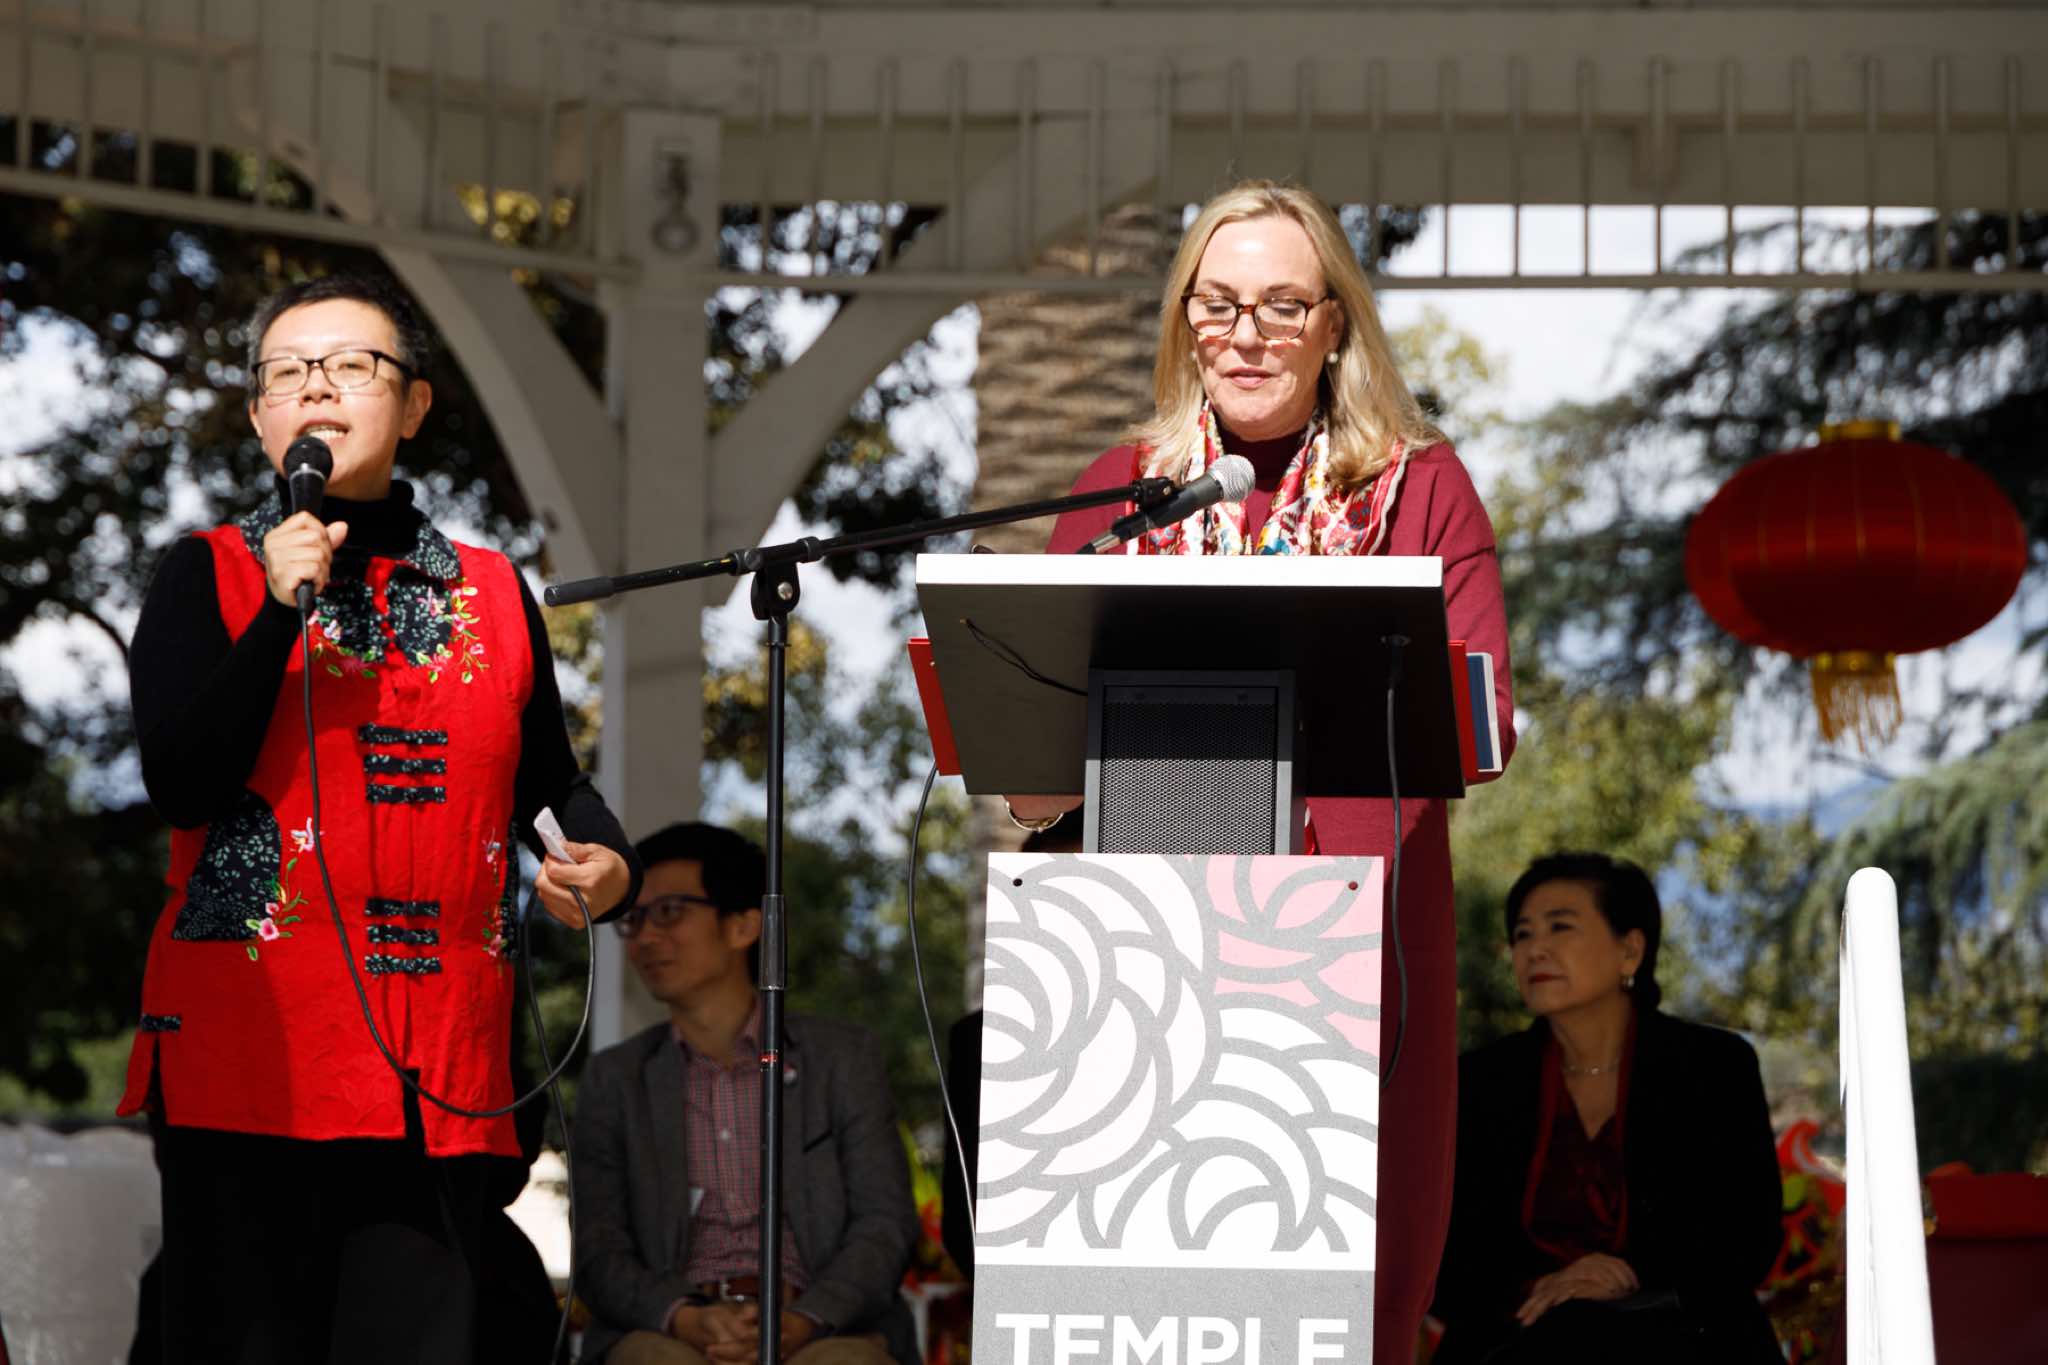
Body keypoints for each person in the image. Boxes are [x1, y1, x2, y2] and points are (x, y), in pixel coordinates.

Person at [1015, 179, 1516, 1361]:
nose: (1246, 334)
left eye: (1282, 306)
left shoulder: (1418, 487)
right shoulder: (1119, 488)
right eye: (1218, 303)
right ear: (1183, 318)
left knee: (1342, 1295)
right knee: (1149, 1296)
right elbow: (1034, 780)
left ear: (1334, 324)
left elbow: (1478, 725)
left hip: (1354, 939)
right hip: (1146, 959)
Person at [116, 271, 641, 1363]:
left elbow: (550, 786)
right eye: (287, 372)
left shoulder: (493, 591)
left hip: (437, 1068)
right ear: (259, 415)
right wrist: (276, 611)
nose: (317, 388)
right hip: (250, 1061)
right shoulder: (205, 574)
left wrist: (610, 866)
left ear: (412, 407)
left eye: (351, 366)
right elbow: (182, 781)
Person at [574, 823, 920, 1365]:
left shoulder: (841, 1059)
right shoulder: (616, 1078)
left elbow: (885, 1225)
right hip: (673, 1330)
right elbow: (599, 1249)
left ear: (744, 926)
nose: (644, 938)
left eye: (669, 912)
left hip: (819, 1327)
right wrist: (684, 1317)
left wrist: (804, 1321)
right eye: (633, 920)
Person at [1431, 854, 1783, 1364]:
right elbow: (1444, 1256)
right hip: (1520, 1343)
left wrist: (1630, 1273)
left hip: (1681, 1340)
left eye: (1560, 927)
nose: (1534, 949)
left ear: (1630, 951)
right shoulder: (1481, 1082)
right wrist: (1545, 1288)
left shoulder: (1712, 1065)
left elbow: (1749, 1235)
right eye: (1523, 934)